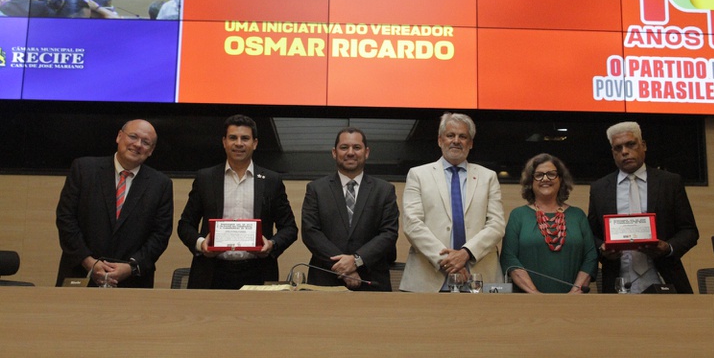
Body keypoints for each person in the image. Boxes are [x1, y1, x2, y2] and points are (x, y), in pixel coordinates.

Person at [178, 114, 298, 289]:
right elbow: (185, 225)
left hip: (258, 272)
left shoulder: (271, 181)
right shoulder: (206, 178)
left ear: (254, 143)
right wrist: (201, 243)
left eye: (245, 138)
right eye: (233, 138)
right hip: (211, 273)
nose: (239, 143)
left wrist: (271, 245)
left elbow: (289, 228)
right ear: (224, 142)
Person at [55, 119, 174, 288]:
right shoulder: (84, 169)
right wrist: (89, 262)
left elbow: (160, 234)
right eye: (133, 136)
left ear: (151, 151)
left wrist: (131, 267)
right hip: (80, 274)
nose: (138, 144)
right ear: (119, 136)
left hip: (132, 281)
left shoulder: (161, 184)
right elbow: (66, 218)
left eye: (146, 142)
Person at [588, 121, 699, 293]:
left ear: (644, 145)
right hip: (617, 282)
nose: (625, 151)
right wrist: (603, 249)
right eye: (618, 148)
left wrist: (668, 248)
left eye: (630, 144)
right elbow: (591, 235)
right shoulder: (599, 188)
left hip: (664, 277)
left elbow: (689, 231)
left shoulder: (669, 182)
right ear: (613, 153)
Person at [399, 112, 505, 292]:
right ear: (440, 140)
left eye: (462, 136)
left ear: (470, 143)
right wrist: (449, 261)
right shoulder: (418, 175)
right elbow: (412, 224)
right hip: (428, 279)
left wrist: (465, 253)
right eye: (450, 135)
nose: (456, 141)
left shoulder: (488, 177)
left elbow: (497, 225)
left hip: (479, 278)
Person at [301, 127, 399, 291]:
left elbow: (389, 233)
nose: (351, 152)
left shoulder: (384, 190)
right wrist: (343, 267)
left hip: (372, 281)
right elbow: (310, 232)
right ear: (334, 152)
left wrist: (356, 260)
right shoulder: (316, 189)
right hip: (325, 280)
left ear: (366, 152)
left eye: (357, 147)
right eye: (344, 147)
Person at [501, 153, 597, 293]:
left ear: (561, 179)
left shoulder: (578, 216)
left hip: (574, 301)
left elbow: (591, 257)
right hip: (528, 301)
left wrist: (573, 295)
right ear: (530, 181)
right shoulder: (518, 215)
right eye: (539, 175)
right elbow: (509, 258)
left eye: (551, 174)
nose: (545, 179)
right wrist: (536, 295)